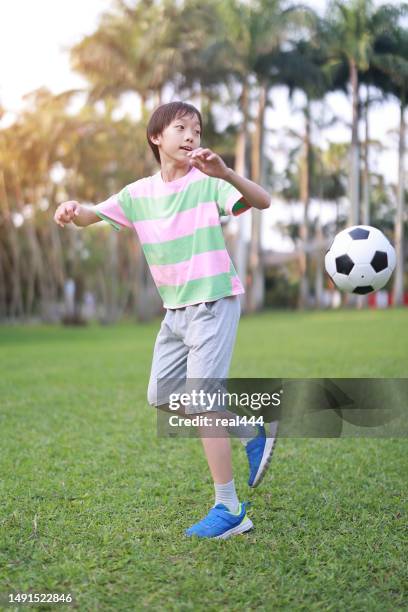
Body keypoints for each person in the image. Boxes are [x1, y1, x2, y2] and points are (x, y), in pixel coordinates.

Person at [54, 101, 278, 539]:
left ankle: (230, 508)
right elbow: (89, 217)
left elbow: (262, 200)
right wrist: (70, 209)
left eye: (196, 129)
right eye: (181, 127)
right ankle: (250, 426)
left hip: (213, 300)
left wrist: (226, 174)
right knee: (161, 394)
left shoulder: (208, 183)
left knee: (202, 401)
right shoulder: (138, 194)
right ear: (157, 136)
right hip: (175, 312)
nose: (191, 136)